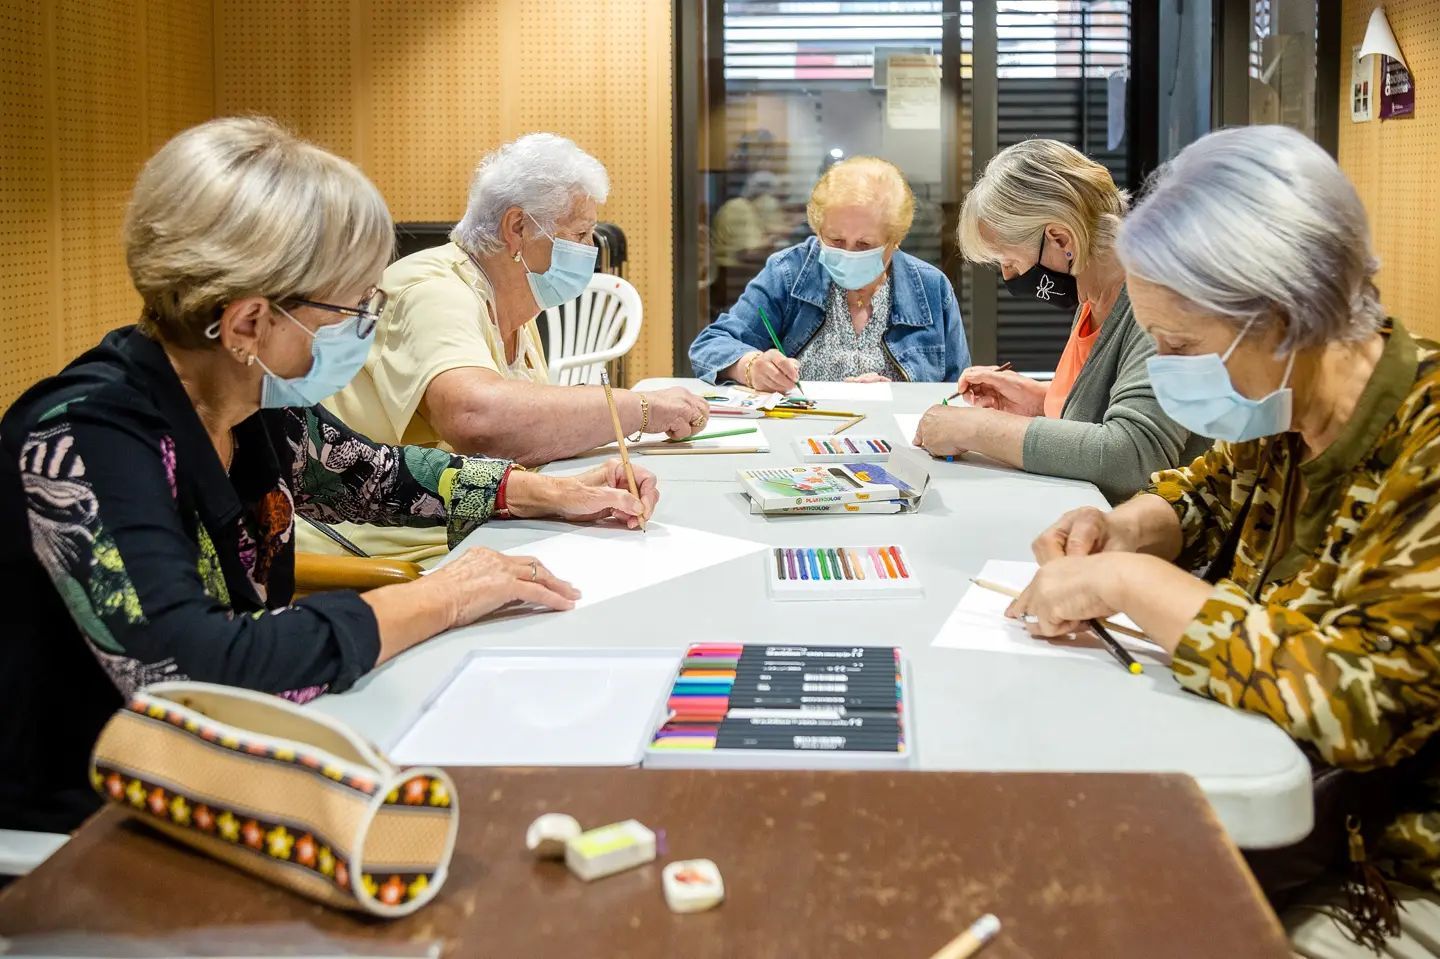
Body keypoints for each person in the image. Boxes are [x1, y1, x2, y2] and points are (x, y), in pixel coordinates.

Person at [0, 118, 660, 836]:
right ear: (251, 322)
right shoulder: (84, 437)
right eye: (353, 310)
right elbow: (193, 670)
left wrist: (540, 490)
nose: (368, 329)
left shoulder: (244, 401)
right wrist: (437, 597)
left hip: (220, 771)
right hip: (91, 826)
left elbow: (371, 473)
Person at [1005, 126, 1440, 953]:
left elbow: (1362, 704)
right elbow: (1201, 495)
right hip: (1287, 802)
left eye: (1179, 347)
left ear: (1281, 315)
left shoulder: (1423, 442)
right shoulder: (1289, 406)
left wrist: (1133, 585)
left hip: (1388, 860)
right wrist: (1120, 525)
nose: (1167, 370)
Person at [312, 133, 705, 563]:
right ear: (517, 228)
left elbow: (521, 437)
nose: (590, 250)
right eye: (581, 232)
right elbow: (478, 418)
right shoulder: (434, 290)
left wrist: (570, 488)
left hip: (480, 525)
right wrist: (641, 409)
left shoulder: (511, 306)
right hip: (405, 552)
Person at [914, 139, 1206, 503]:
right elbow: (1106, 411)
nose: (1010, 276)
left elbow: (1130, 457)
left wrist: (982, 429)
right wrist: (1040, 402)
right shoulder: (1093, 297)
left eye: (1010, 261)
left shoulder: (1159, 300)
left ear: (1060, 238)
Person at [689, 156, 969, 388]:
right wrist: (749, 366)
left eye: (864, 245)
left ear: (894, 241)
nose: (848, 252)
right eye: (835, 240)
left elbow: (955, 394)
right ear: (818, 229)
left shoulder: (931, 288)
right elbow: (709, 346)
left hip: (898, 444)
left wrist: (898, 397)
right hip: (799, 439)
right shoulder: (789, 273)